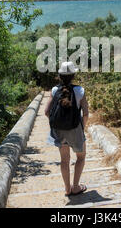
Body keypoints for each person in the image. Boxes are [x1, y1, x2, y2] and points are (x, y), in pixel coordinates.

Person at [44, 61, 89, 196]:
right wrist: (82, 128)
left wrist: (57, 124)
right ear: (74, 75)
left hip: (59, 130)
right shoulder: (80, 90)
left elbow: (47, 112)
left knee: (64, 160)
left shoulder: (54, 90)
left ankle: (67, 188)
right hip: (75, 129)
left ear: (60, 76)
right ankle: (76, 187)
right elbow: (86, 114)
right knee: (81, 157)